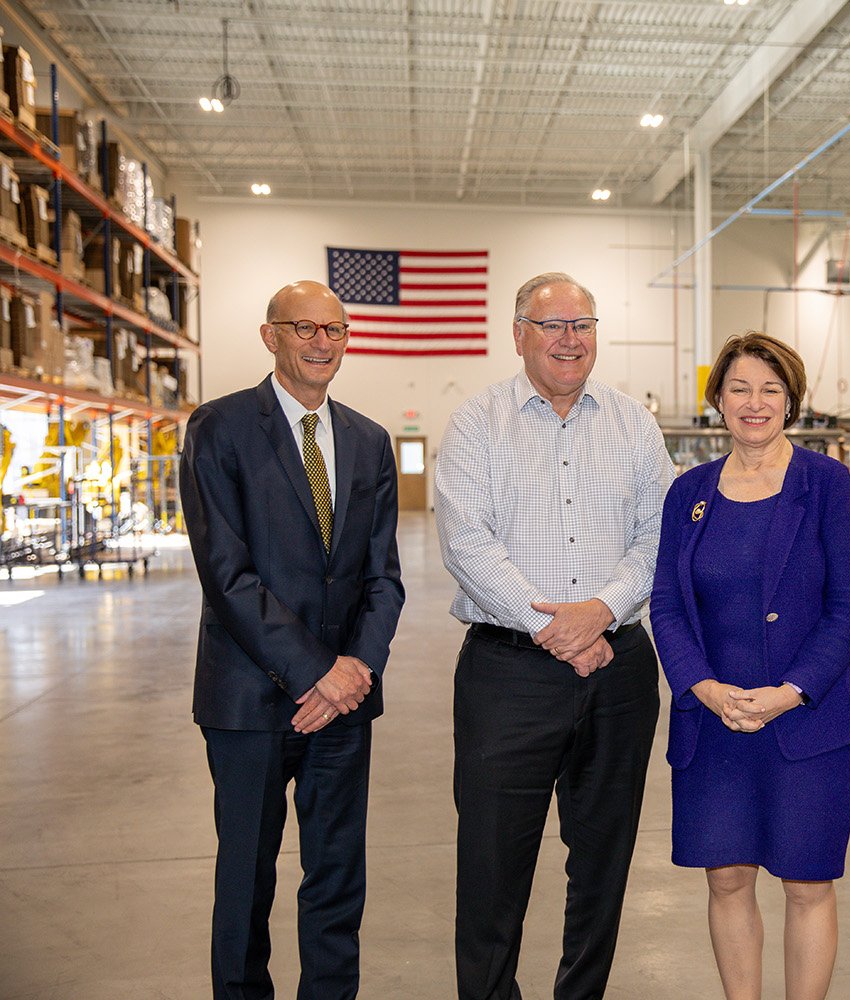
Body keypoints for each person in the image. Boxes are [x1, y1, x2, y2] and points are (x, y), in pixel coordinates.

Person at [435, 271, 674, 1000]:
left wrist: (599, 611)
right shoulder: (477, 423)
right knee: (491, 865)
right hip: (507, 675)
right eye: (552, 326)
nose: (570, 340)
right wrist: (557, 628)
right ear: (518, 336)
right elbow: (466, 543)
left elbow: (660, 533)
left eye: (582, 325)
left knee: (602, 860)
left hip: (619, 670)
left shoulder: (635, 424)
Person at [180, 280, 405, 1000]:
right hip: (248, 700)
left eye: (334, 330)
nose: (321, 342)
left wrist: (357, 671)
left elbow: (384, 577)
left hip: (343, 706)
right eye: (303, 328)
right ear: (268, 335)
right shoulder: (217, 429)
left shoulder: (369, 440)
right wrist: (317, 673)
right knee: (245, 876)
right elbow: (227, 574)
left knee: (338, 878)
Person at [649, 332, 850, 1000]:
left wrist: (790, 692)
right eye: (740, 388)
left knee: (807, 881)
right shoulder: (687, 494)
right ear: (718, 399)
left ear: (791, 400)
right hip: (714, 722)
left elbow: (849, 604)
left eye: (770, 389)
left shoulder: (825, 483)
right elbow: (665, 604)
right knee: (726, 880)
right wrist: (706, 688)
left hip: (809, 725)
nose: (755, 403)